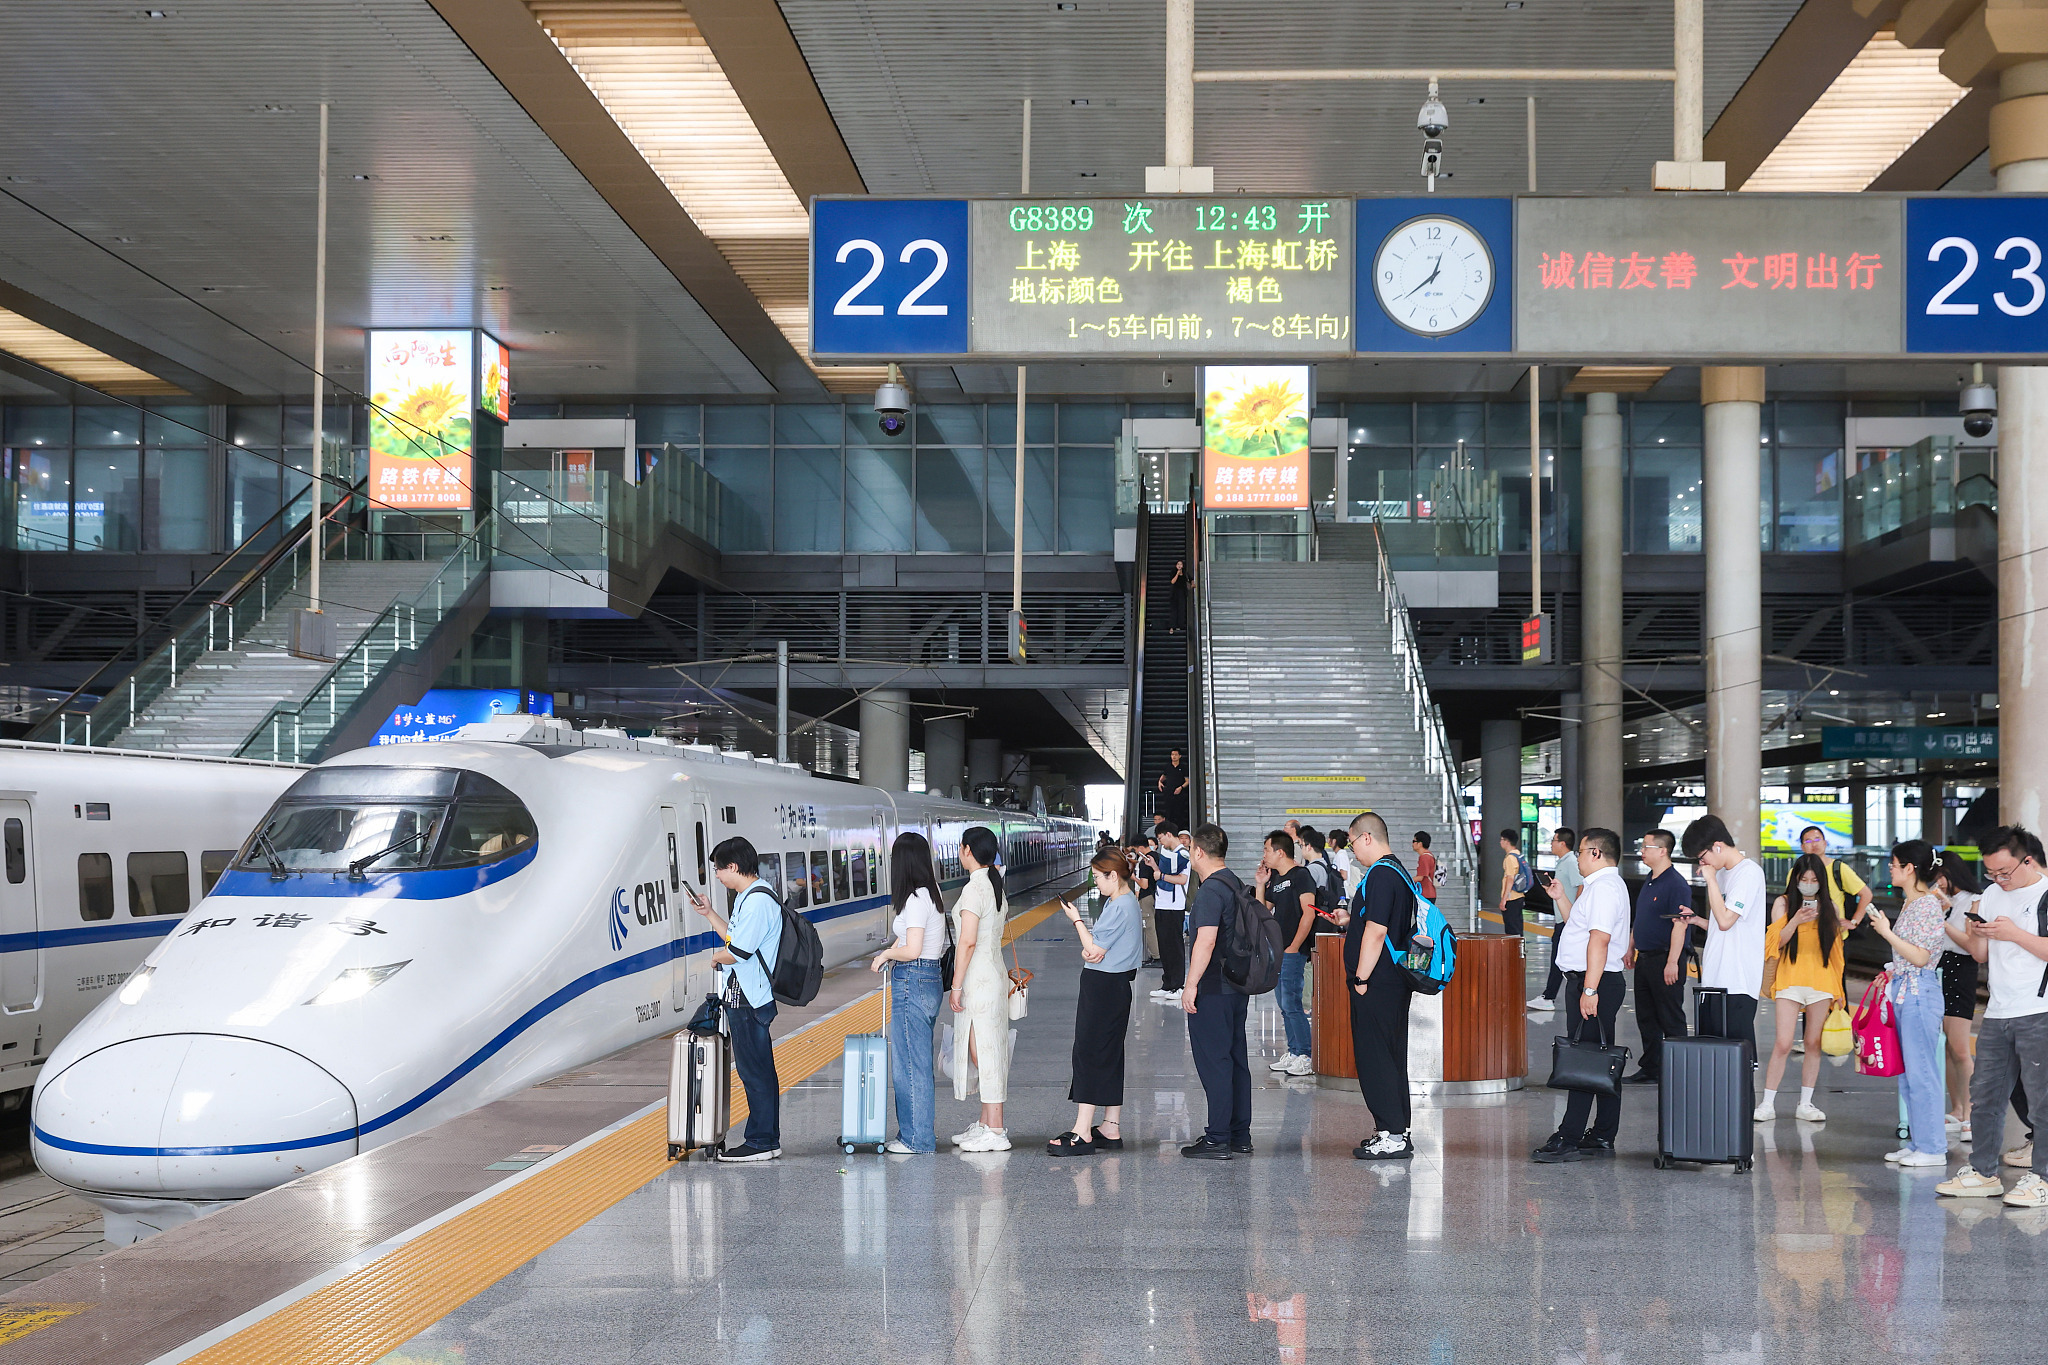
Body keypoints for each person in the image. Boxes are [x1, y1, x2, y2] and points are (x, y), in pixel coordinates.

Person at [1938, 825, 2048, 1205]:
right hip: (1999, 1010)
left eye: (2004, 872)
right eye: (1991, 873)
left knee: (2042, 1099)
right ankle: (1984, 1172)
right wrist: (1970, 929)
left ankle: (2043, 1179)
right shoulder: (1990, 895)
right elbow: (1981, 954)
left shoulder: (2046, 893)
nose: (1998, 879)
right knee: (1985, 1095)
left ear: (2027, 860)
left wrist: (2014, 933)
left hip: (2039, 1009)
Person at [1532, 828, 1632, 1162]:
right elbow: (1578, 924)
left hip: (1595, 983)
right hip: (1594, 981)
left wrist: (1589, 989)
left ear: (1595, 853)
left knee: (1583, 1060)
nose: (1576, 857)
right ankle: (1603, 1134)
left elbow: (1599, 941)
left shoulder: (1604, 889)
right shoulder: (1599, 887)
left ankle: (1570, 1136)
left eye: (1580, 852)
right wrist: (1560, 896)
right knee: (1600, 1060)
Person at [690, 837, 783, 1163]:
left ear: (733, 866)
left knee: (755, 1072)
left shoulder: (758, 901)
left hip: (750, 999)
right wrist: (710, 913)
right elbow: (735, 937)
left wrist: (718, 957)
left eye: (718, 869)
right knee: (756, 1069)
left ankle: (761, 1141)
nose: (716, 875)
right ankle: (765, 1138)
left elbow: (738, 951)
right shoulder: (748, 896)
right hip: (745, 995)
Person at [1048, 849, 1144, 1155]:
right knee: (1110, 1052)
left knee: (1089, 1052)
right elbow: (1094, 950)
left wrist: (1076, 920)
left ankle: (1081, 1132)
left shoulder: (1120, 906)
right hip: (1114, 986)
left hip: (1103, 987)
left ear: (1113, 875)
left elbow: (1093, 950)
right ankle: (1109, 1127)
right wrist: (1090, 949)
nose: (1095, 883)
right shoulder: (1125, 902)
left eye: (1098, 877)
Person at [1866, 840, 1951, 1165]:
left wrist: (1887, 933)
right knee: (1909, 1072)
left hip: (1918, 993)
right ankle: (1919, 1142)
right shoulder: (1913, 904)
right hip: (1905, 992)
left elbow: (1920, 957)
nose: (1890, 867)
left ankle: (1932, 1148)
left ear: (1910, 868)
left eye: (1895, 863)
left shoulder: (1927, 906)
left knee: (1922, 1072)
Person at [1342, 811, 1420, 1160]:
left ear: (1367, 838)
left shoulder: (1381, 875)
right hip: (1392, 979)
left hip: (1377, 981)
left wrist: (1360, 978)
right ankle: (1396, 1129)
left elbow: (1376, 931)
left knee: (1376, 1057)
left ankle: (1392, 1134)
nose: (1352, 850)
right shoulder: (1398, 872)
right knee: (1390, 1055)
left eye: (1352, 842)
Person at [1754, 852, 1849, 1124]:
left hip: (1821, 979)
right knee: (1783, 1042)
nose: (1808, 883)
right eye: (1803, 878)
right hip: (1790, 977)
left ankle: (1805, 1103)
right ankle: (1767, 1103)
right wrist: (1796, 919)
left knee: (1812, 1042)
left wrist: (1839, 991)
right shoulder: (1783, 904)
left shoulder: (1830, 906)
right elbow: (1775, 942)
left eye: (1814, 879)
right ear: (1795, 879)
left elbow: (1835, 951)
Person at [869, 832, 947, 1154]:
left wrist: (886, 955)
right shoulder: (933, 893)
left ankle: (916, 1139)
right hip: (928, 979)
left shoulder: (915, 899)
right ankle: (918, 1134)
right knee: (918, 1061)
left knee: (909, 1065)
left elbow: (913, 949)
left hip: (912, 981)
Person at [1180, 823, 1253, 1159]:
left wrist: (1190, 985)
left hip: (1213, 987)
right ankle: (1239, 1135)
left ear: (1198, 851)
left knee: (1216, 1063)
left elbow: (1206, 940)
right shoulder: (1235, 883)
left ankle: (1217, 1138)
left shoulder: (1210, 891)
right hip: (1237, 986)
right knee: (1236, 1060)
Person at [1677, 814, 1768, 1058]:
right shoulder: (1723, 875)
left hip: (1736, 982)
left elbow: (1726, 921)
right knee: (1714, 1059)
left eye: (1702, 857)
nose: (1702, 864)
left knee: (1736, 1063)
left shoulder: (1748, 873)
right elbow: (1722, 925)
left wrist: (1711, 881)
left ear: (1717, 845)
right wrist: (1697, 920)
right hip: (1714, 980)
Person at [948, 826, 1013, 1153]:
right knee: (986, 1047)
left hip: (978, 978)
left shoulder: (975, 890)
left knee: (984, 1051)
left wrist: (955, 985)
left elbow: (968, 941)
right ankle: (987, 1123)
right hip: (993, 972)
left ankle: (997, 1128)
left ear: (967, 850)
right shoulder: (993, 884)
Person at [1624, 829, 1691, 1085]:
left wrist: (1673, 961)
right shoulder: (1651, 880)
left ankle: (1681, 1069)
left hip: (1665, 959)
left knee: (1670, 1016)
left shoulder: (1676, 884)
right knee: (1647, 1016)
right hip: (1646, 958)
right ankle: (1651, 1067)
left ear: (1662, 851)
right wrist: (1631, 946)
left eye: (1646, 847)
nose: (1642, 851)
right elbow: (1642, 917)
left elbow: (1680, 924)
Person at [1256, 830, 1319, 1077]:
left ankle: (1305, 1055)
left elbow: (1309, 912)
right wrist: (1261, 884)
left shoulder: (1301, 876)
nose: (1264, 855)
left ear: (1279, 852)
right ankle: (1294, 1051)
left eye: (1266, 850)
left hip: (1292, 950)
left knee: (1292, 1003)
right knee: (1284, 1004)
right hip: (1278, 950)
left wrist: (1294, 946)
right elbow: (1263, 912)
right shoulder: (1275, 879)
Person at [1935, 851, 1983, 1139]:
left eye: (1939, 877)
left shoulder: (1972, 899)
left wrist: (1944, 919)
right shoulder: (1943, 901)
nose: (1936, 882)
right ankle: (1955, 1109)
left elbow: (1969, 944)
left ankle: (1970, 1113)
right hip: (1941, 969)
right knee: (1947, 1048)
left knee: (1961, 1048)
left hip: (1962, 970)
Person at [1528, 826, 1582, 1014]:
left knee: (1558, 958)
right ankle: (1548, 995)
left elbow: (1580, 885)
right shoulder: (1563, 862)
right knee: (1558, 958)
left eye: (1553, 840)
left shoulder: (1570, 862)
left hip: (1569, 920)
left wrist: (1574, 914)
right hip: (1563, 919)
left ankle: (1549, 997)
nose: (1551, 843)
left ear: (1562, 843)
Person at [1792, 824, 1874, 927]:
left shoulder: (1839, 868)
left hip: (1835, 935)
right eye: (1808, 841)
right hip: (1805, 934)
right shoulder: (1795, 872)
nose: (1814, 844)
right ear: (1802, 847)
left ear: (1825, 843)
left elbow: (1866, 894)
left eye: (1817, 840)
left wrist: (1854, 922)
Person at [1148, 828, 1190, 1003]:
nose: (1161, 842)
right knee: (1165, 945)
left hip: (1175, 906)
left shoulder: (1183, 855)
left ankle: (1179, 985)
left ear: (1168, 834)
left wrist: (1161, 875)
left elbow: (1182, 879)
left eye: (1161, 838)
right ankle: (1167, 984)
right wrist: (1154, 867)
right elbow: (1162, 875)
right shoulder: (1169, 853)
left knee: (1175, 947)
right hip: (1162, 904)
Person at [1135, 835, 1161, 968]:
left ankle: (1156, 957)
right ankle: (1157, 955)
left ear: (1140, 847)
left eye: (1135, 849)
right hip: (1157, 895)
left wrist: (1133, 877)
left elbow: (1144, 885)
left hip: (1146, 897)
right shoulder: (1157, 856)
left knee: (1149, 927)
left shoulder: (1145, 861)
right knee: (1155, 926)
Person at [1498, 828, 1528, 940]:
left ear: (1507, 841)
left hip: (1512, 898)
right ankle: (1519, 953)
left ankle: (1515, 954)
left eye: (1501, 840)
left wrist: (1504, 899)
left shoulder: (1510, 858)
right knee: (1517, 928)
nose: (1500, 842)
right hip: (1519, 896)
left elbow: (1510, 879)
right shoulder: (1518, 855)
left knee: (1512, 930)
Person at [1157, 748, 1190, 829]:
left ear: (1180, 756)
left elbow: (1187, 781)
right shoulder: (1168, 766)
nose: (1174, 756)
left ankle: (1179, 830)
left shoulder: (1183, 767)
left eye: (1175, 755)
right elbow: (1163, 776)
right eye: (1172, 755)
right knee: (1169, 813)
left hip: (1179, 793)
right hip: (1168, 793)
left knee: (1179, 813)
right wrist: (1159, 782)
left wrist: (1181, 787)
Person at [1410, 830, 1437, 902]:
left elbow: (1421, 877)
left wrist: (1408, 881)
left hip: (1425, 894)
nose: (1412, 844)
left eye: (1414, 841)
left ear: (1420, 844)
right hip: (1429, 893)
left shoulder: (1424, 857)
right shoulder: (1429, 855)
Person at [1168, 557, 1188, 634]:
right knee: (1174, 610)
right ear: (1176, 566)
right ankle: (1172, 626)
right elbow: (1172, 582)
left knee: (1181, 609)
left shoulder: (1185, 573)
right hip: (1174, 593)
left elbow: (1189, 579)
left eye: (1181, 564)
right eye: (1178, 564)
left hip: (1182, 593)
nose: (1179, 566)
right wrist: (1177, 574)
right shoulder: (1173, 572)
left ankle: (1180, 625)